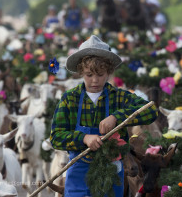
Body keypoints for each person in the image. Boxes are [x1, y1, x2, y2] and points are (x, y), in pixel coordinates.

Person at [50, 35, 158, 197]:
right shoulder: (70, 99)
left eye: (100, 75)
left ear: (109, 72)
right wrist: (84, 138)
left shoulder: (119, 97)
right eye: (88, 75)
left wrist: (117, 117)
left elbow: (151, 111)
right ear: (80, 72)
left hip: (111, 172)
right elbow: (56, 137)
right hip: (78, 171)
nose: (95, 80)